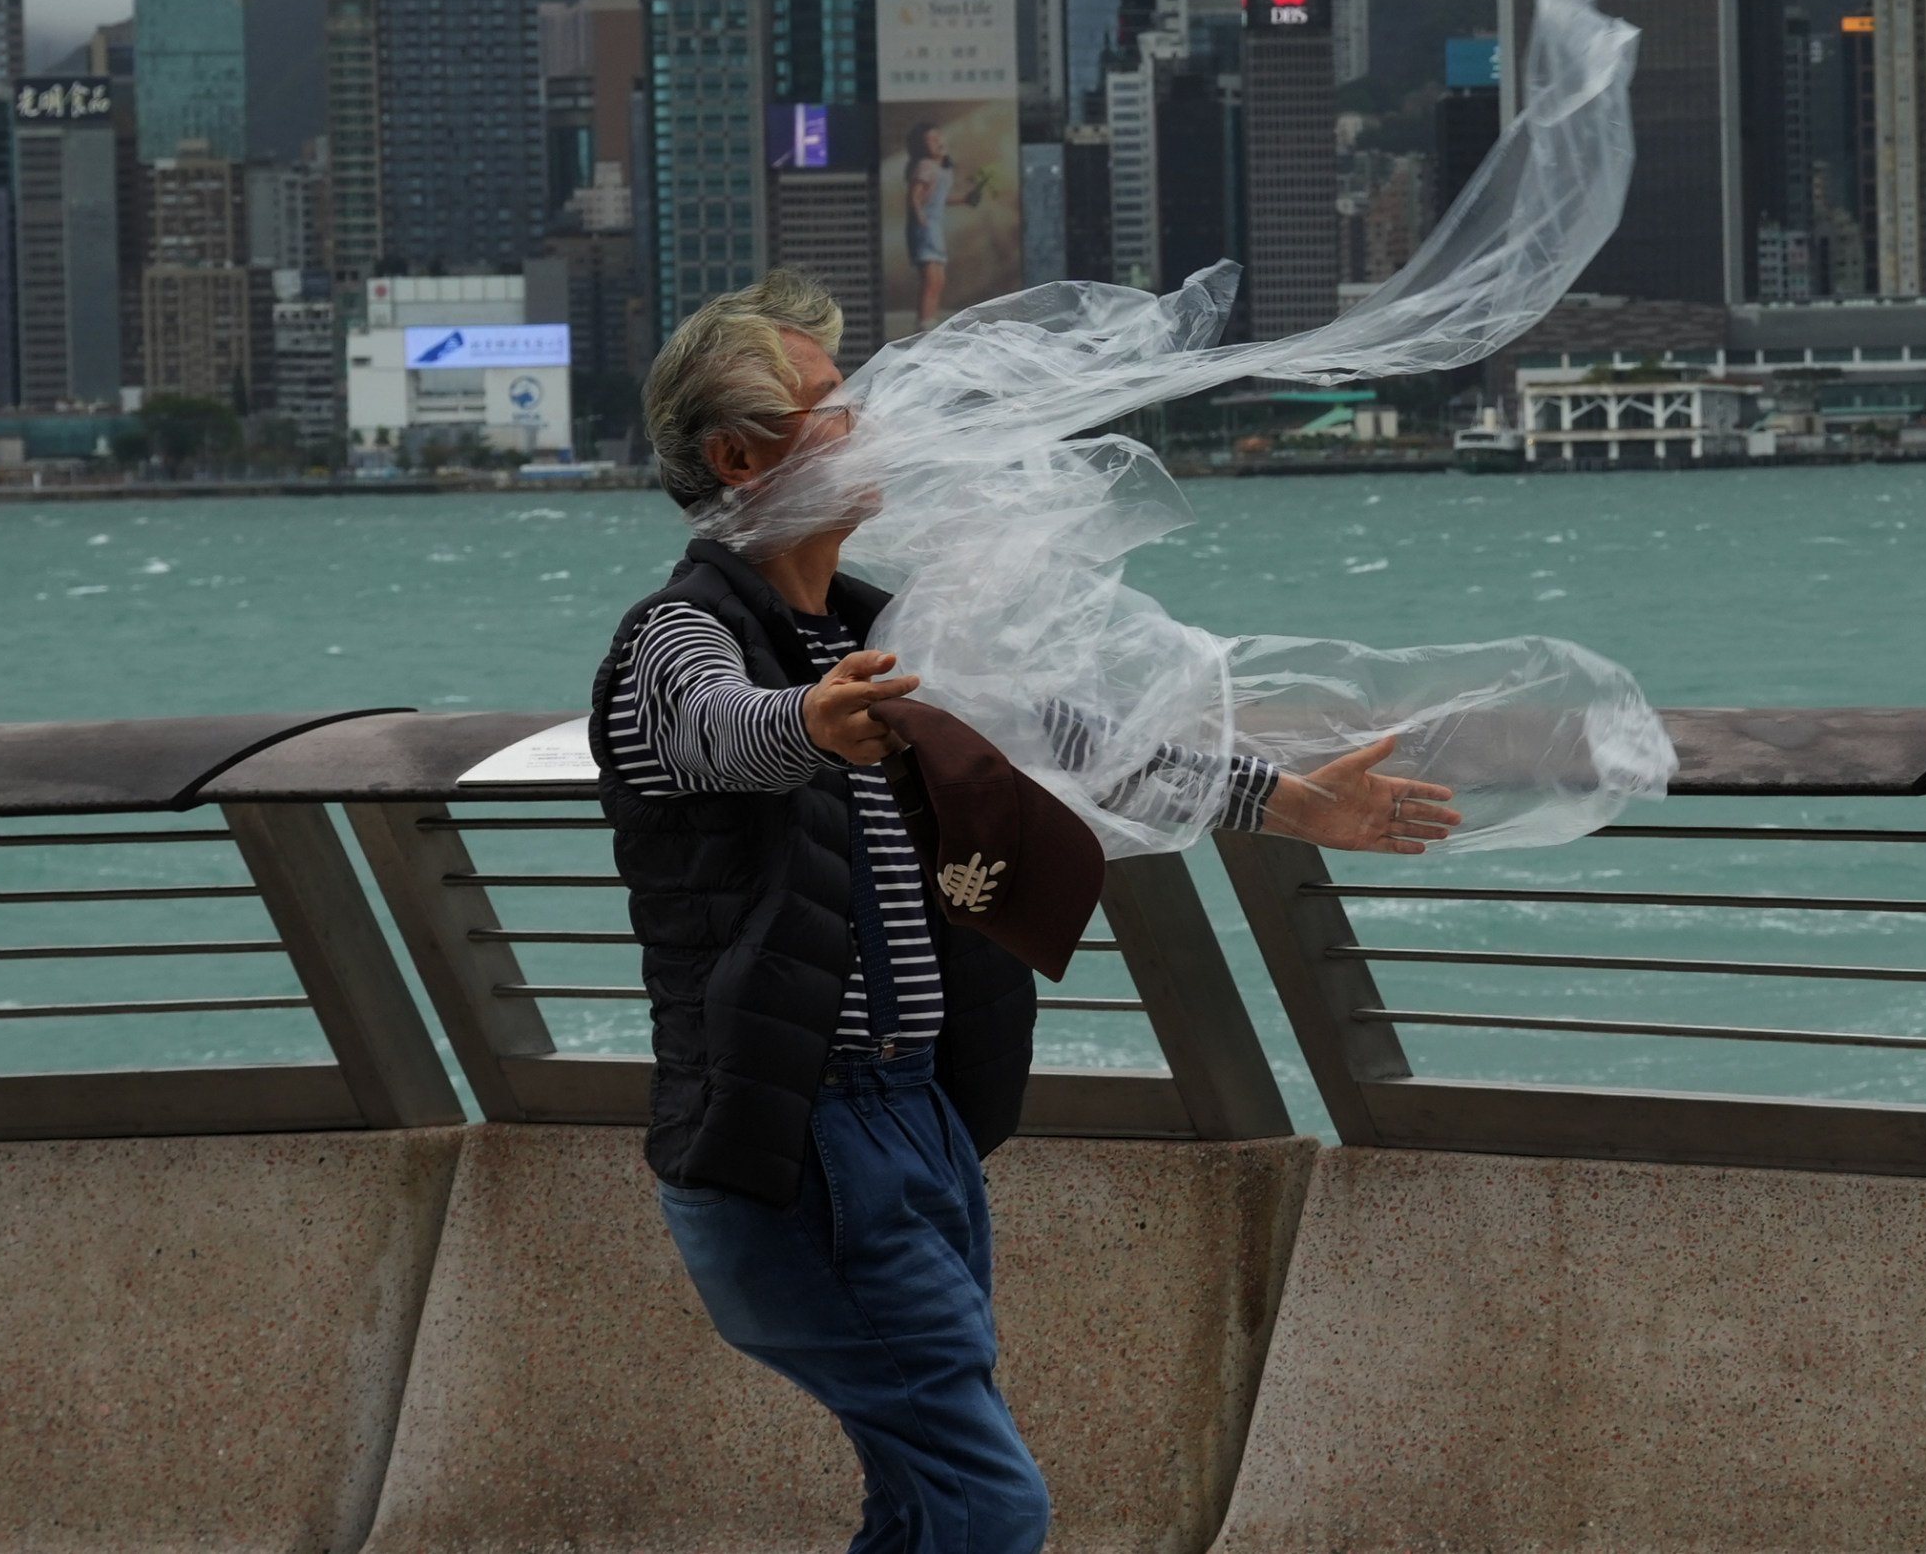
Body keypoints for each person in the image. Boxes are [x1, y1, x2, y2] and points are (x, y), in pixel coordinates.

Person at [599, 268, 1455, 1554]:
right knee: (992, 1506)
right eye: (834, 407)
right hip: (796, 1134)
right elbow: (715, 730)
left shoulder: (885, 631)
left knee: (927, 1495)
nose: (875, 425)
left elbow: (1081, 744)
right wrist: (811, 724)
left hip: (914, 1119)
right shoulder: (680, 637)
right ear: (738, 453)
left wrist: (1288, 802)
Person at [903, 124, 953, 330]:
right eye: (932, 140)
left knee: (939, 279)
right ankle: (925, 325)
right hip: (926, 227)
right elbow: (915, 195)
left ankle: (930, 319)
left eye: (939, 137)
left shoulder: (941, 169)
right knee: (931, 279)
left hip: (934, 226)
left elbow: (941, 199)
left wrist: (966, 198)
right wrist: (920, 216)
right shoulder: (926, 166)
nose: (938, 142)